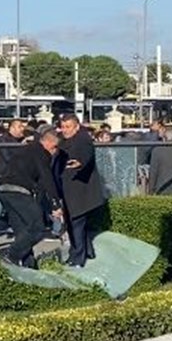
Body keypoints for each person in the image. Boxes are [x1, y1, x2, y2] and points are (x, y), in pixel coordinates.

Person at [0, 125, 64, 269]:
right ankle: (11, 256)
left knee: (22, 232)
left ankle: (28, 265)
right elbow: (46, 178)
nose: (55, 152)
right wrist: (55, 205)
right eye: (56, 148)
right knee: (37, 227)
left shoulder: (26, 149)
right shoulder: (41, 153)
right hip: (19, 191)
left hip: (4, 190)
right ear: (50, 143)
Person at [57, 114, 107, 268]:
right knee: (75, 224)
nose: (65, 130)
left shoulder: (83, 139)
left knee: (76, 223)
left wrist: (80, 163)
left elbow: (86, 154)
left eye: (68, 127)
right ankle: (86, 252)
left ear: (76, 127)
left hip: (80, 190)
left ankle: (77, 259)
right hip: (70, 190)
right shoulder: (63, 141)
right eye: (63, 127)